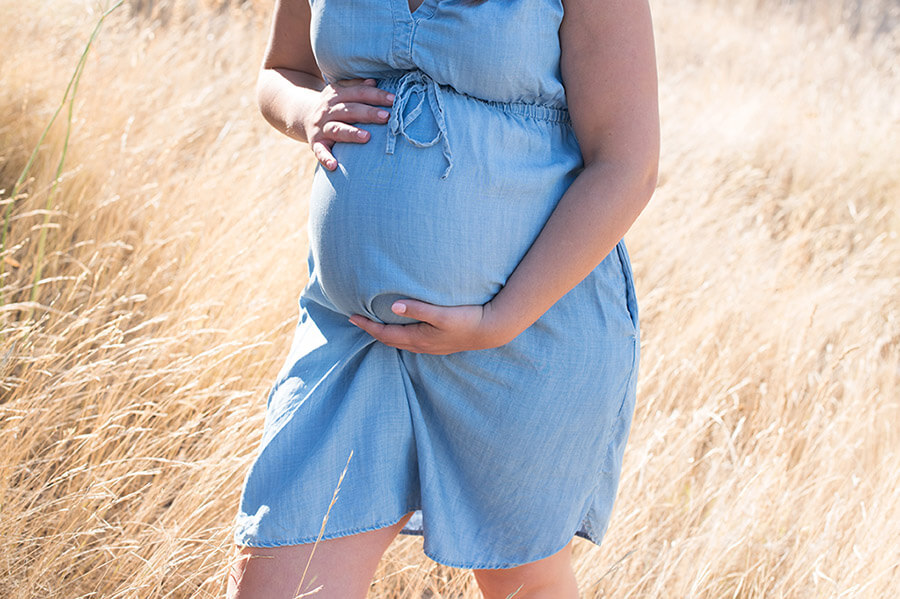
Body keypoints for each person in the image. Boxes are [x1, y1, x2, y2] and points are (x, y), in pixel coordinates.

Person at [227, 0, 658, 596]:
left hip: (528, 332)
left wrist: (498, 319)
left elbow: (626, 164)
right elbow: (282, 70)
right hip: (352, 332)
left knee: (524, 585)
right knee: (279, 576)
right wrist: (308, 110)